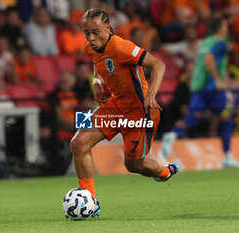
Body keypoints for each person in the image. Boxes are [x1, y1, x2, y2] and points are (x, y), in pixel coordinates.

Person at [70, 8, 180, 218]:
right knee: (78, 142)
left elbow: (159, 64)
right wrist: (97, 81)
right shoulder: (90, 46)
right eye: (86, 33)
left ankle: (165, 172)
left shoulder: (121, 46)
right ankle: (90, 202)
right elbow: (98, 61)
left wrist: (151, 95)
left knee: (133, 165)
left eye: (95, 32)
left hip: (140, 111)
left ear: (108, 29)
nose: (91, 38)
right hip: (115, 105)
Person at [162, 17, 239, 168]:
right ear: (219, 28)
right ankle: (227, 155)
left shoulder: (206, 42)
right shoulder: (220, 43)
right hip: (212, 88)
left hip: (198, 87)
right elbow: (209, 61)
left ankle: (172, 135)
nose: (227, 27)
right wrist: (218, 80)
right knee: (226, 116)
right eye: (225, 25)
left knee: (192, 117)